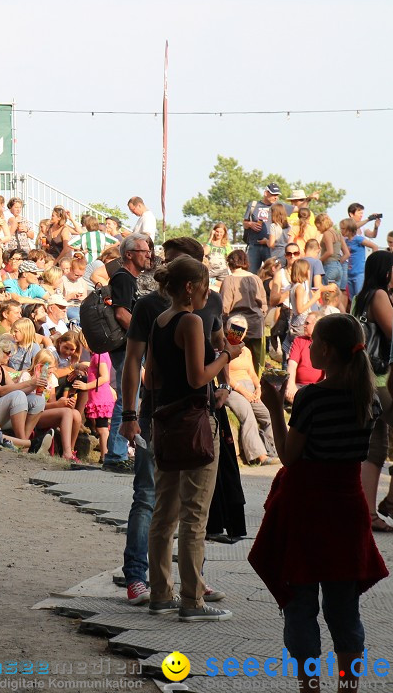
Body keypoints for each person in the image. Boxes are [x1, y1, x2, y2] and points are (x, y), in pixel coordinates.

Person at [249, 314, 387, 692]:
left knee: (300, 605)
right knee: (343, 610)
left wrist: (275, 407)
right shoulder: (368, 398)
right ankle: (348, 686)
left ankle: (309, 686)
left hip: (308, 511)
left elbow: (290, 457)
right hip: (347, 509)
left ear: (325, 349)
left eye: (313, 344)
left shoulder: (312, 398)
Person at [145, 255, 241, 621]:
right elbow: (199, 377)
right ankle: (191, 600)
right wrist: (226, 356)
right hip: (194, 423)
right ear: (190, 287)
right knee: (194, 516)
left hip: (166, 421)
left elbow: (151, 378)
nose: (207, 293)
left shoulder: (159, 321)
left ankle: (160, 592)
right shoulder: (190, 322)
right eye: (204, 286)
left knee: (163, 512)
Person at [351, 251, 393, 532]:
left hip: (366, 379)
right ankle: (389, 502)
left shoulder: (359, 297)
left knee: (374, 448)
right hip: (382, 381)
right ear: (385, 270)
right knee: (376, 447)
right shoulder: (379, 296)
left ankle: (368, 512)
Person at [105, 233, 153, 474]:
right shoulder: (124, 278)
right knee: (127, 400)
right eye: (144, 251)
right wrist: (144, 335)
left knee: (129, 398)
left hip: (127, 346)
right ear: (129, 254)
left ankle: (117, 453)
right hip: (125, 347)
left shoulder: (129, 278)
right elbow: (121, 314)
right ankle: (115, 455)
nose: (149, 254)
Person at [223, 323, 278, 466]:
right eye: (236, 328)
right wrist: (244, 392)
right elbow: (225, 376)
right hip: (233, 388)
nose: (239, 333)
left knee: (267, 415)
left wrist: (258, 387)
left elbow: (252, 373)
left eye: (242, 330)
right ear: (229, 330)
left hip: (249, 387)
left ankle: (272, 449)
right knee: (248, 415)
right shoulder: (224, 348)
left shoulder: (246, 350)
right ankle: (260, 456)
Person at [219, 249, 268, 372]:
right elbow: (264, 305)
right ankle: (258, 386)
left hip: (236, 325)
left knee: (234, 360)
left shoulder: (229, 280)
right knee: (258, 361)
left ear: (230, 263)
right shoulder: (256, 278)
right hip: (256, 324)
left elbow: (225, 307)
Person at [285, 312, 323, 403]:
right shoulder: (299, 341)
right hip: (299, 386)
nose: (304, 325)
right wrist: (291, 385)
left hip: (318, 387)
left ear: (317, 325)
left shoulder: (324, 343)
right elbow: (292, 365)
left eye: (307, 323)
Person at [243, 182, 279, 273]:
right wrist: (251, 224)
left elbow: (297, 208)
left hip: (270, 246)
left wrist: (308, 199)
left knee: (272, 273)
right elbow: (244, 223)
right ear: (266, 193)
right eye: (273, 194)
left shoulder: (278, 206)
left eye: (277, 195)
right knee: (251, 273)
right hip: (254, 246)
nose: (275, 197)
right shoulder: (253, 205)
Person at [343, 217, 379, 299]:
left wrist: (371, 262)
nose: (341, 231)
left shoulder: (358, 239)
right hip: (350, 273)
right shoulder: (346, 241)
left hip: (359, 272)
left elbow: (374, 246)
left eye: (343, 229)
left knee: (360, 296)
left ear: (349, 229)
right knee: (352, 298)